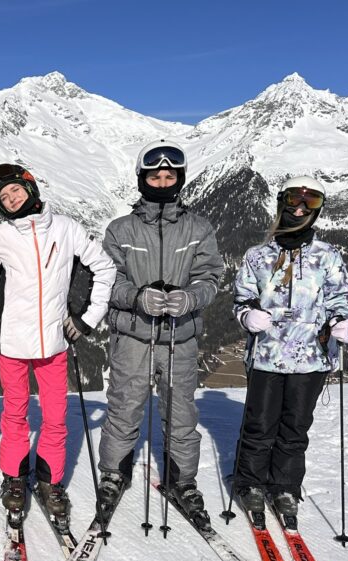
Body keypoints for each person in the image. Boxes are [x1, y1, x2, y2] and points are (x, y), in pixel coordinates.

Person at [0, 164, 115, 525]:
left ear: (30, 188)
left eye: (15, 191)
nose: (11, 199)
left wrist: (87, 318)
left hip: (53, 344)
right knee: (15, 415)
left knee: (55, 418)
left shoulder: (66, 228)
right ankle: (15, 478)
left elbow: (104, 268)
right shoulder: (0, 236)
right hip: (11, 345)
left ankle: (50, 481)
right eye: (3, 198)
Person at [97, 139, 224, 520]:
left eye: (170, 176)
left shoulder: (198, 228)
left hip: (179, 337)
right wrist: (136, 297)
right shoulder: (121, 229)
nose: (163, 181)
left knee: (181, 410)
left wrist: (191, 298)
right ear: (143, 178)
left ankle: (181, 478)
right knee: (124, 405)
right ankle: (113, 474)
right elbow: (105, 280)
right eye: (156, 175)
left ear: (180, 179)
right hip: (133, 335)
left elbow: (211, 275)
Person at [231, 175, 348, 520]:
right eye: (294, 201)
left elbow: (339, 298)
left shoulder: (328, 256)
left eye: (310, 202)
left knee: (295, 427)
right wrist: (247, 316)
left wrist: (343, 320)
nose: (300, 208)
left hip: (312, 358)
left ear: (317, 210)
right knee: (259, 424)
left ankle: (284, 486)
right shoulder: (257, 256)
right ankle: (250, 483)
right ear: (281, 203)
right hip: (266, 355)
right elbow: (241, 299)